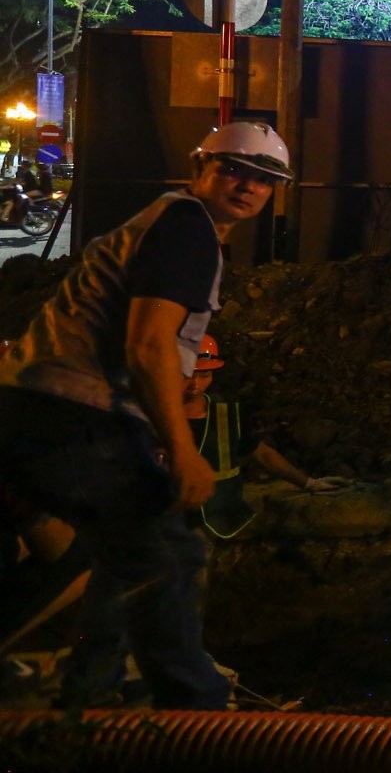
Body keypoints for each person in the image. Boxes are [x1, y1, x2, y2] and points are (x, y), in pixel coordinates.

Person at [0, 120, 291, 709]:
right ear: (198, 165)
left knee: (117, 551)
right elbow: (150, 345)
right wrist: (181, 449)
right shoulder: (187, 228)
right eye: (233, 169)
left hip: (33, 409)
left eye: (264, 179)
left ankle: (90, 689)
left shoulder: (166, 222)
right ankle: (194, 713)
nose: (247, 186)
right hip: (71, 412)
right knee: (166, 553)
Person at [186, 335, 346, 537]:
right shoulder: (150, 415)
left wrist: (309, 483)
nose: (194, 384)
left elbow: (261, 454)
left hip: (214, 520)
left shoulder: (226, 415)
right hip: (165, 521)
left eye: (204, 375)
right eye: (187, 375)